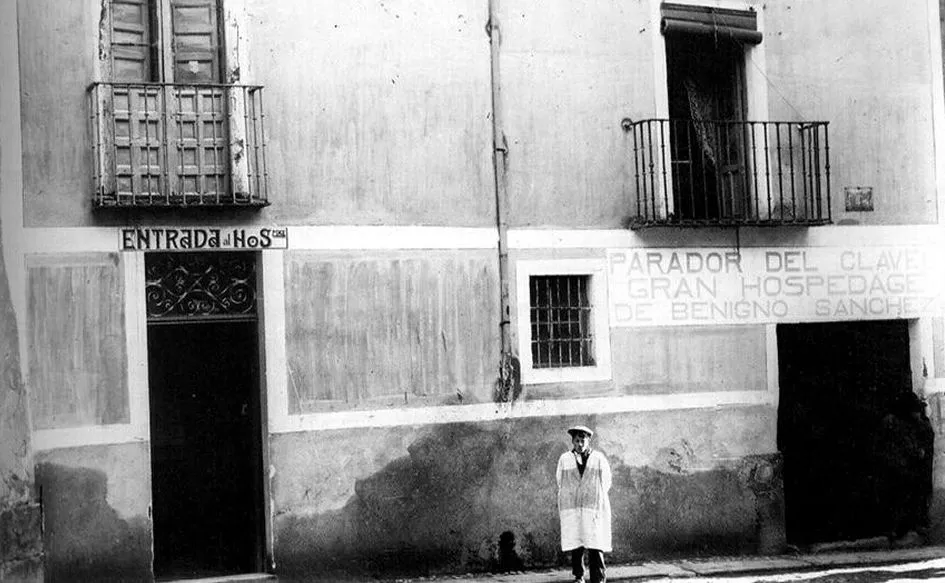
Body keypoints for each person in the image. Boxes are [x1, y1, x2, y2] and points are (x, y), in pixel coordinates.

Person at [556, 425, 612, 583]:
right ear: (572, 442)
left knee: (595, 544)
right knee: (576, 543)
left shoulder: (598, 458)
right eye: (577, 441)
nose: (580, 444)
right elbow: (560, 481)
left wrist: (594, 496)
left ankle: (598, 578)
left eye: (583, 441)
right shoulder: (565, 459)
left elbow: (606, 481)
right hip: (573, 508)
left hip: (592, 508)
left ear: (588, 442)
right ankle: (579, 576)